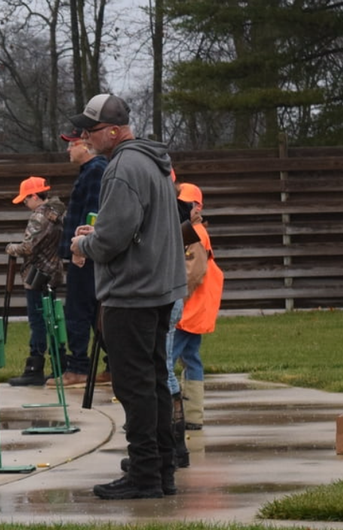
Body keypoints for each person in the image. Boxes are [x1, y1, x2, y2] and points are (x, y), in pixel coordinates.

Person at [69, 94, 187, 500]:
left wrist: (84, 246)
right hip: (159, 288)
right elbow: (134, 225)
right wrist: (99, 231)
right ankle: (160, 470)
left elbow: (115, 238)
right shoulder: (152, 161)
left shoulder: (122, 167)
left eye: (92, 130)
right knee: (154, 383)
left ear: (115, 131)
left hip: (132, 293)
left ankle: (144, 476)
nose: (85, 136)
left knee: (133, 387)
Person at [55, 129, 109, 388]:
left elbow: (93, 215)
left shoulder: (96, 171)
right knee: (96, 312)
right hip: (88, 253)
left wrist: (80, 249)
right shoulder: (91, 171)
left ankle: (78, 368)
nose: (68, 150)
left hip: (86, 255)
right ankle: (113, 366)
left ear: (86, 146)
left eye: (71, 144)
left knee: (78, 310)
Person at [170, 183, 221, 435]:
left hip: (189, 308)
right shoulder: (193, 230)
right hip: (196, 308)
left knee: (167, 359)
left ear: (197, 207)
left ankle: (173, 415)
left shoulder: (195, 233)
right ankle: (193, 416)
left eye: (186, 204)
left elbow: (193, 271)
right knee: (191, 358)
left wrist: (175, 298)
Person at [5, 177, 67, 387]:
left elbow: (28, 247)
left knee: (38, 322)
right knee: (53, 321)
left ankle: (35, 367)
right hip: (53, 272)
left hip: (36, 275)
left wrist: (11, 248)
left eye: (26, 200)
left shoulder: (39, 217)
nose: (25, 204)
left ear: (34, 196)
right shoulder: (58, 213)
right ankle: (60, 365)